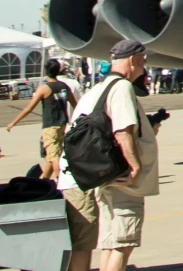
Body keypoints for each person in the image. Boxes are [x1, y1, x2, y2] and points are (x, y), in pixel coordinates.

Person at [64, 38, 159, 271]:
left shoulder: (98, 88)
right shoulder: (122, 87)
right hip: (121, 182)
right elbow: (122, 130)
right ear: (133, 60)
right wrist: (135, 167)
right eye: (143, 61)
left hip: (97, 178)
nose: (144, 67)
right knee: (122, 243)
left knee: (111, 242)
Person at [3, 60, 80, 180]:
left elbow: (29, 108)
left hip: (50, 125)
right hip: (62, 124)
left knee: (54, 156)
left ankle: (61, 182)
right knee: (52, 153)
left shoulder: (44, 88)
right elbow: (75, 104)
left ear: (46, 71)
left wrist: (13, 122)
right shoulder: (64, 87)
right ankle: (45, 180)